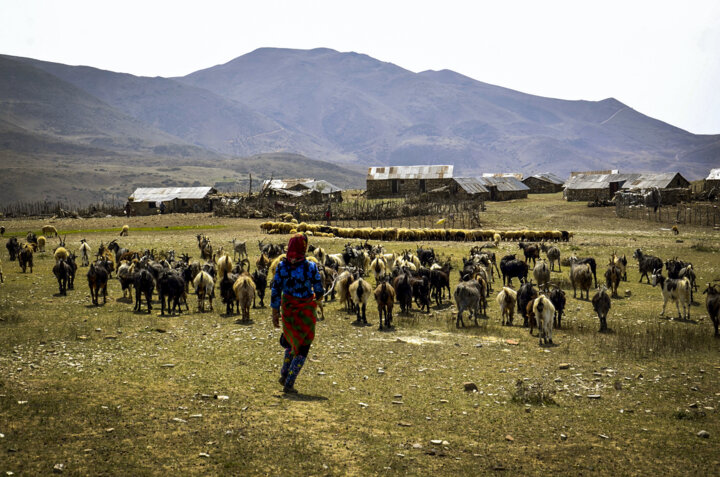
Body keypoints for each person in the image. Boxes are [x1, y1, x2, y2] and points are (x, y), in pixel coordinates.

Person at [270, 233, 324, 394]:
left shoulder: (281, 266)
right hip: (305, 311)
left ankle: (284, 373)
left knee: (290, 340)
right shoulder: (310, 267)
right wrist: (318, 296)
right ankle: (289, 382)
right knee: (303, 345)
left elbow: (275, 289)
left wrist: (275, 312)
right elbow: (319, 289)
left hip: (288, 310)